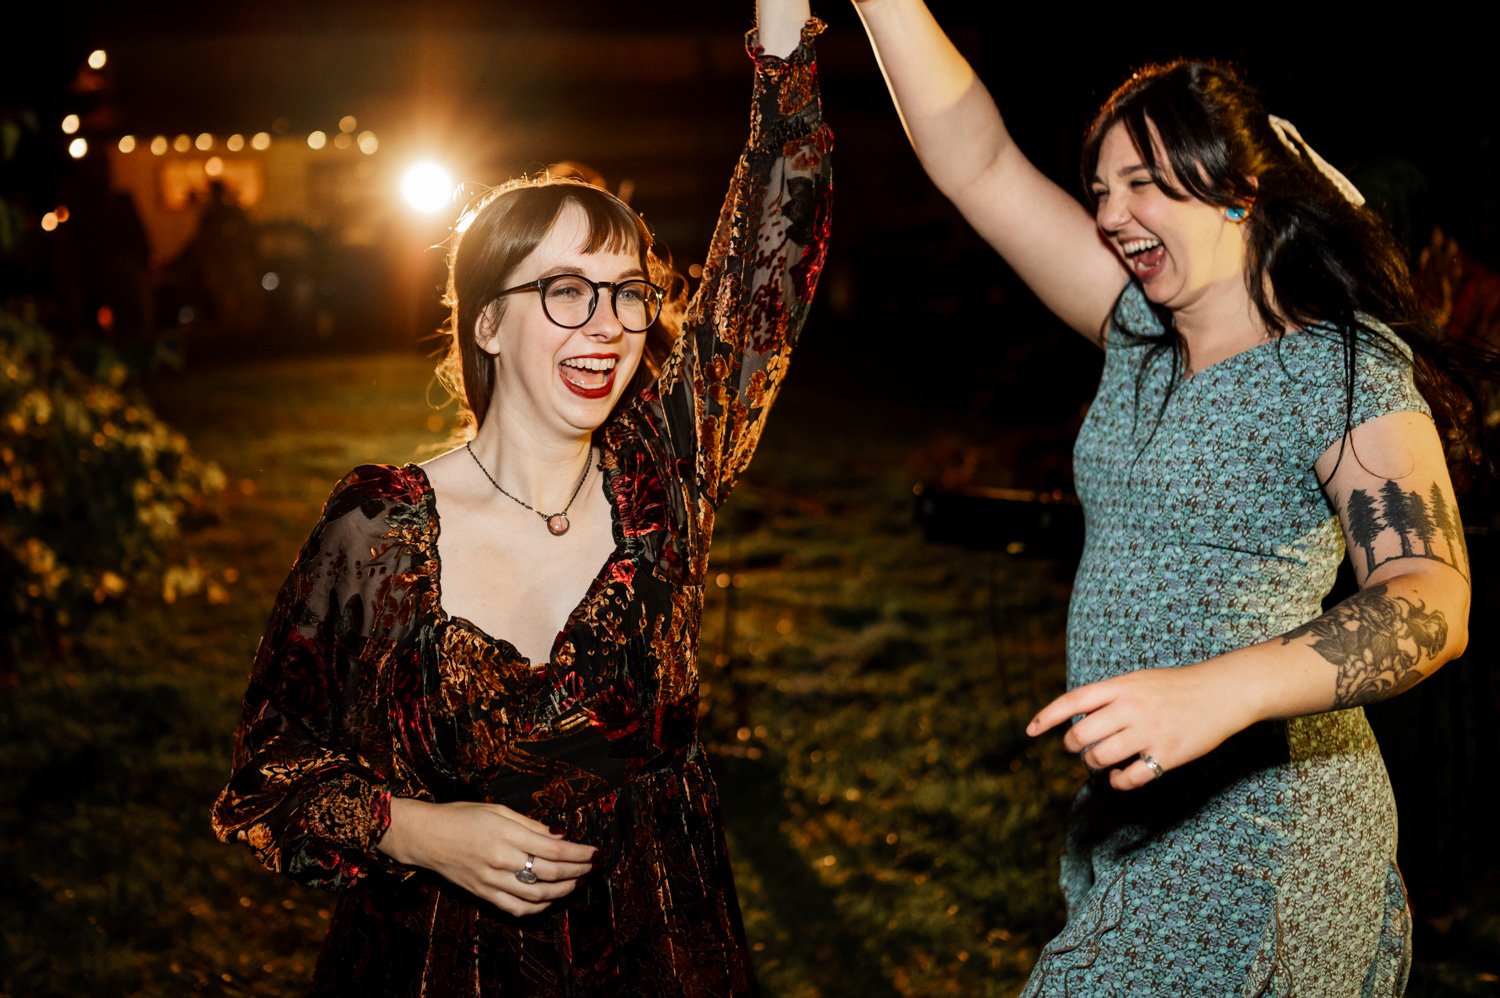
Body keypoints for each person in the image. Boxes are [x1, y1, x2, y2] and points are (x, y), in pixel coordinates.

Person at [853, 2, 1473, 993]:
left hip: (1269, 821)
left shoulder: (1335, 366)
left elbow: (1430, 597)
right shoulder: (1137, 330)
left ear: (1238, 191)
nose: (1107, 214)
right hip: (1142, 814)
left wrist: (1218, 688)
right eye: (1100, 188)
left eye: (1143, 183)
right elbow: (974, 161)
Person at [210, 3, 831, 993]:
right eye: (567, 289)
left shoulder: (663, 479)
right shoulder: (378, 532)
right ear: (490, 323)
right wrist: (415, 827)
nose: (610, 320)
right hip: (438, 962)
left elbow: (770, 256)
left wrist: (787, 41)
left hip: (664, 954)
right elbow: (269, 775)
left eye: (627, 290)